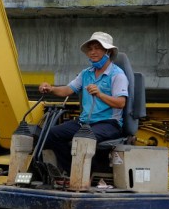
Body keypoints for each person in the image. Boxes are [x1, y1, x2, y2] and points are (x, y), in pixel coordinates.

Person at [38, 31, 129, 172]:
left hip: (109, 124)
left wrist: (100, 94)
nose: (93, 52)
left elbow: (120, 103)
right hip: (85, 122)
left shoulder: (117, 75)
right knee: (50, 134)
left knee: (82, 137)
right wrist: (50, 89)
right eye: (90, 49)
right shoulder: (86, 73)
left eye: (98, 48)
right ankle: (68, 171)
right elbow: (67, 90)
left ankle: (85, 174)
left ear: (108, 52)